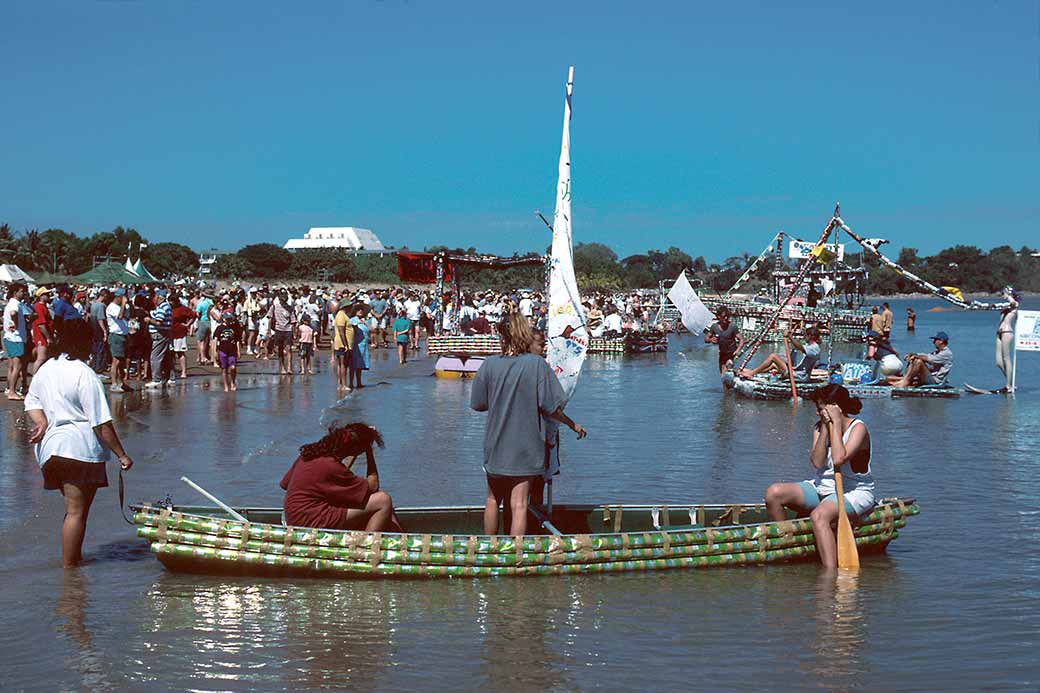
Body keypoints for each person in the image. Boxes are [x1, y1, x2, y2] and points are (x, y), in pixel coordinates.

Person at [23, 318, 134, 568]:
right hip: (79, 450)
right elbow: (101, 424)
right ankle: (71, 572)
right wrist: (122, 455)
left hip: (49, 451)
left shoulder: (48, 367)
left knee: (72, 511)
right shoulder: (85, 374)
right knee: (77, 513)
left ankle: (73, 563)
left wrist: (41, 422)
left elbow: (31, 401)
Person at [470, 314, 586, 536]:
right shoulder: (537, 365)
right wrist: (573, 425)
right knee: (520, 504)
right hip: (526, 448)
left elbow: (478, 404)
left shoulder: (488, 365)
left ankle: (490, 551)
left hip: (495, 444)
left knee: (492, 499)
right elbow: (552, 407)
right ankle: (516, 556)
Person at [763, 384, 874, 568]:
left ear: (836, 407)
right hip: (822, 486)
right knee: (774, 493)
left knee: (819, 516)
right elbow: (817, 462)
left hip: (852, 491)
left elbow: (838, 459)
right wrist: (825, 429)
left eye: (821, 408)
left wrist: (836, 424)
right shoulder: (819, 427)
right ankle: (785, 545)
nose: (817, 413)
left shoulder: (858, 428)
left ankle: (829, 572)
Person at [280, 423, 402, 532]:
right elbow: (373, 486)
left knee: (378, 506)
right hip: (309, 520)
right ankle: (366, 547)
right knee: (383, 500)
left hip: (293, 515)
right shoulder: (331, 466)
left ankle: (400, 535)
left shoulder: (310, 453)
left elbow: (285, 484)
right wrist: (369, 452)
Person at [739, 328, 821, 381]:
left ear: (811, 336)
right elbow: (795, 353)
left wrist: (789, 336)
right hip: (794, 371)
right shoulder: (808, 346)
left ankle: (751, 373)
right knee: (774, 364)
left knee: (773, 356)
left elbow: (800, 348)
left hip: (799, 376)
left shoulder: (815, 348)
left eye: (805, 335)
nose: (804, 337)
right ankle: (753, 372)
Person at [889, 331, 954, 388]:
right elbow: (926, 355)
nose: (933, 342)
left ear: (941, 341)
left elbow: (929, 359)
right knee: (915, 359)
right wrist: (912, 354)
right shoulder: (937, 352)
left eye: (935, 340)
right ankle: (905, 378)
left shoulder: (946, 353)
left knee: (919, 361)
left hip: (935, 380)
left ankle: (905, 381)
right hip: (930, 376)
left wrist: (915, 356)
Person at [4, 282, 29, 400]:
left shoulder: (10, 303)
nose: (23, 293)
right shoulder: (15, 303)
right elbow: (13, 312)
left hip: (10, 337)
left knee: (12, 366)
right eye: (21, 291)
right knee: (17, 366)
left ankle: (10, 389)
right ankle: (12, 391)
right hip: (16, 338)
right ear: (15, 293)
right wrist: (16, 323)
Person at [144, 289, 174, 388]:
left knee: (155, 357)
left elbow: (158, 322)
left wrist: (149, 320)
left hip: (160, 334)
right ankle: (171, 378)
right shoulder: (165, 306)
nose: (153, 299)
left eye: (154, 297)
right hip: (164, 334)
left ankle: (156, 379)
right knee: (166, 356)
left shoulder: (163, 307)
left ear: (159, 297)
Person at [106, 288, 131, 393]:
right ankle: (114, 383)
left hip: (123, 334)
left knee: (121, 361)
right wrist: (123, 305)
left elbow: (127, 316)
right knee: (116, 360)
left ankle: (121, 383)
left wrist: (127, 306)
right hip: (116, 335)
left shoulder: (122, 307)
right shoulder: (111, 307)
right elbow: (120, 316)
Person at [705, 307, 743, 374]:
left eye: (727, 316)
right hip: (722, 353)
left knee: (727, 371)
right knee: (723, 375)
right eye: (724, 316)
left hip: (732, 353)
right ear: (718, 317)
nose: (726, 318)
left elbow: (741, 340)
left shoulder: (732, 326)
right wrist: (711, 340)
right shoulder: (714, 327)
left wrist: (738, 350)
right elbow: (706, 339)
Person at [996, 287, 1019, 392]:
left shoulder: (1014, 305)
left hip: (1007, 332)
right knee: (999, 362)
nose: (1002, 295)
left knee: (1006, 359)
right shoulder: (1006, 306)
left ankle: (1009, 386)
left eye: (1003, 293)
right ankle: (1011, 382)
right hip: (999, 334)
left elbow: (1014, 303)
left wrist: (1009, 296)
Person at [266, 291, 296, 375]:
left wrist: (294, 333)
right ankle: (282, 367)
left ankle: (289, 368)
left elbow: (293, 321)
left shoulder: (290, 308)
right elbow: (269, 318)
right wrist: (269, 331)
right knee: (280, 349)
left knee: (289, 348)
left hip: (288, 329)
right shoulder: (274, 307)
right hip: (278, 329)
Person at [170, 293, 195, 381]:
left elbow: (193, 315)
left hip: (180, 332)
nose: (170, 303)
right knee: (171, 353)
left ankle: (184, 372)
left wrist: (187, 324)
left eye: (172, 302)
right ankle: (172, 372)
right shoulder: (169, 308)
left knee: (180, 352)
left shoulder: (183, 309)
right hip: (170, 332)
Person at [214, 311, 241, 392]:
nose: (229, 321)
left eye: (230, 319)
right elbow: (215, 340)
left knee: (233, 367)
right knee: (224, 369)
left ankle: (233, 382)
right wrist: (215, 352)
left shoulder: (234, 328)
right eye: (227, 319)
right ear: (224, 319)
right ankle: (226, 385)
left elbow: (237, 340)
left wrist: (238, 351)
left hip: (232, 350)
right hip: (222, 350)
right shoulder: (219, 328)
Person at [30, 287, 54, 375]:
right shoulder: (39, 307)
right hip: (41, 336)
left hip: (43, 335)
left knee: (44, 357)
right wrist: (48, 337)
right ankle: (34, 378)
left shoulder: (43, 306)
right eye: (46, 294)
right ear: (41, 296)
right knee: (41, 358)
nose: (48, 296)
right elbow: (41, 325)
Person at [87, 289, 111, 374]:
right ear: (105, 296)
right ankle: (99, 369)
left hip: (93, 330)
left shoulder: (93, 304)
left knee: (95, 350)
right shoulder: (101, 306)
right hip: (99, 331)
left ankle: (94, 367)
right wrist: (104, 331)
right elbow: (100, 319)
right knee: (101, 351)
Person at [333, 303, 355, 391]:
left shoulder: (343, 315)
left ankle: (340, 384)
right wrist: (346, 345)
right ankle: (344, 385)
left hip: (342, 344)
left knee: (341, 364)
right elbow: (341, 331)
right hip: (342, 344)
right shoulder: (341, 315)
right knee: (344, 365)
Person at [350, 304, 370, 389]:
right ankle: (351, 383)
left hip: (363, 346)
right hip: (356, 345)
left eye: (361, 310)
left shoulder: (363, 320)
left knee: (359, 366)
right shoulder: (353, 320)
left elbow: (372, 329)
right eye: (358, 310)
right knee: (353, 365)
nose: (360, 311)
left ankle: (359, 382)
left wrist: (365, 322)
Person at [195, 291, 214, 365]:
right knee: (209, 341)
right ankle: (210, 357)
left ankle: (203, 358)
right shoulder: (212, 303)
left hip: (202, 321)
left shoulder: (201, 303)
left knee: (201, 341)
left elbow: (197, 313)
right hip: (210, 322)